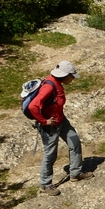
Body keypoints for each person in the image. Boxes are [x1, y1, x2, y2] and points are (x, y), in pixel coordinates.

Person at [28, 60, 93, 196]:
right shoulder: (49, 87)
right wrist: (44, 121)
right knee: (50, 155)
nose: (73, 79)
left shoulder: (56, 83)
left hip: (61, 120)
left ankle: (75, 173)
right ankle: (45, 185)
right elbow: (32, 106)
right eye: (72, 76)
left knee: (74, 141)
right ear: (65, 75)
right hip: (50, 127)